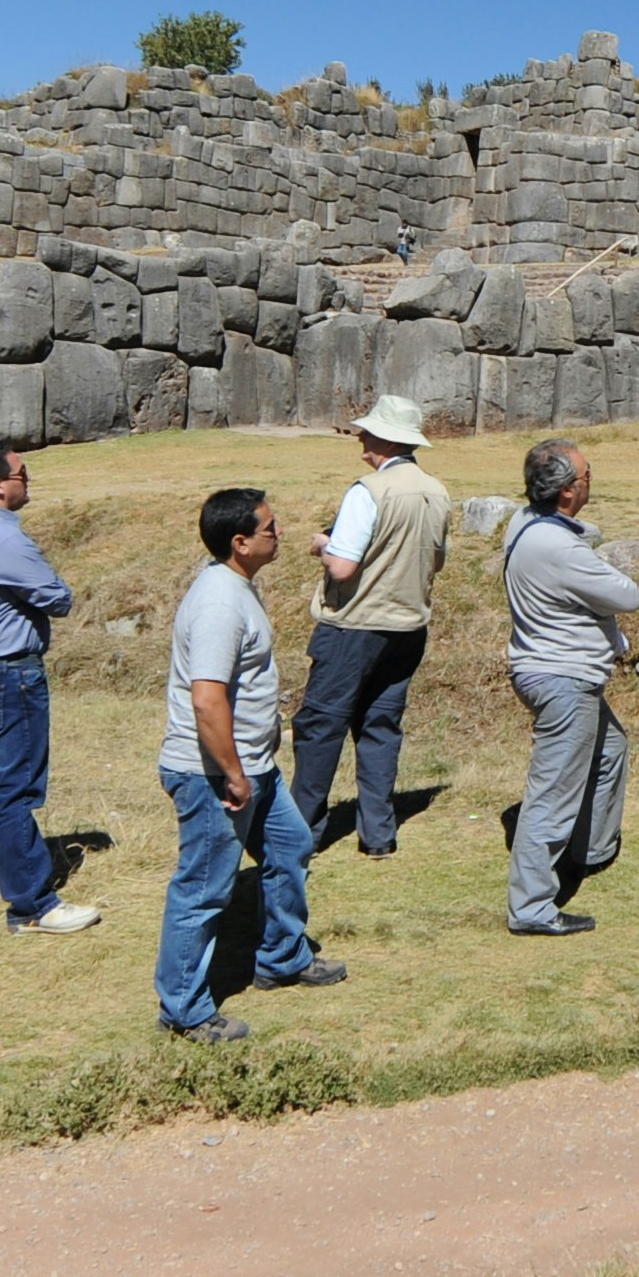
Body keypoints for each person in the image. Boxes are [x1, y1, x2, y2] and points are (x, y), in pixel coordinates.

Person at [157, 487, 336, 1042]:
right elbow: (207, 699)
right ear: (239, 542)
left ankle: (281, 957)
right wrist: (233, 774)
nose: (279, 534)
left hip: (251, 766)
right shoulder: (219, 605)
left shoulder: (236, 587)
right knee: (203, 888)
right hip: (215, 773)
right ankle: (184, 1010)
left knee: (290, 845)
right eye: (270, 528)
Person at [0, 441, 101, 933]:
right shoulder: (5, 540)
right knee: (18, 790)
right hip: (12, 679)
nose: (28, 483)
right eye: (23, 475)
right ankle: (32, 905)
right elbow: (60, 598)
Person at [290, 395, 452, 859]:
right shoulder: (436, 491)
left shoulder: (367, 490)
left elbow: (343, 567)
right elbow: (437, 561)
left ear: (388, 440)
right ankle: (378, 835)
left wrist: (323, 545)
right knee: (380, 726)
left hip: (354, 627)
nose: (360, 436)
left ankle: (300, 834)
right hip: (408, 628)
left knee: (320, 726)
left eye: (369, 431)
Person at [500, 437, 639, 936]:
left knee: (611, 749)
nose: (590, 481)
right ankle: (532, 908)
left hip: (543, 668)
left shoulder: (523, 522)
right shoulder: (558, 547)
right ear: (566, 492)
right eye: (586, 475)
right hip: (565, 680)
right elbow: (627, 595)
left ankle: (589, 851)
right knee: (552, 795)